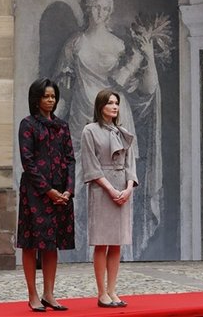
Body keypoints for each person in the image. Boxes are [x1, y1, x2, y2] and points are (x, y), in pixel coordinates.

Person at [54, 0, 162, 260]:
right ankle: (81, 251)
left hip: (117, 114)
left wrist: (145, 55)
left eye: (104, 8)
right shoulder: (75, 43)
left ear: (110, 12)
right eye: (94, 7)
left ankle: (117, 249)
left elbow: (143, 88)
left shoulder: (119, 45)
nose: (99, 13)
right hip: (82, 114)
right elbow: (61, 84)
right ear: (86, 10)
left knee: (119, 176)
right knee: (81, 183)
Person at [17, 77, 75, 312]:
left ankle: (49, 294)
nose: (50, 100)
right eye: (45, 96)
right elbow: (27, 162)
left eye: (52, 96)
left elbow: (71, 158)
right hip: (35, 193)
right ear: (36, 98)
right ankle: (32, 294)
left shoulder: (62, 125)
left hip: (61, 193)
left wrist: (68, 190)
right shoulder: (28, 124)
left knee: (52, 244)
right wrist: (48, 190)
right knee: (31, 244)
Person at [81, 89, 138, 307]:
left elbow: (130, 164)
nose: (114, 106)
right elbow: (91, 166)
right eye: (110, 103)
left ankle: (113, 291)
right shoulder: (90, 131)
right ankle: (101, 292)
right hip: (102, 190)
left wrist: (128, 188)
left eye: (116, 103)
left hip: (123, 189)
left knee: (117, 244)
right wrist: (111, 189)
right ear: (100, 106)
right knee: (102, 243)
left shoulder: (123, 132)